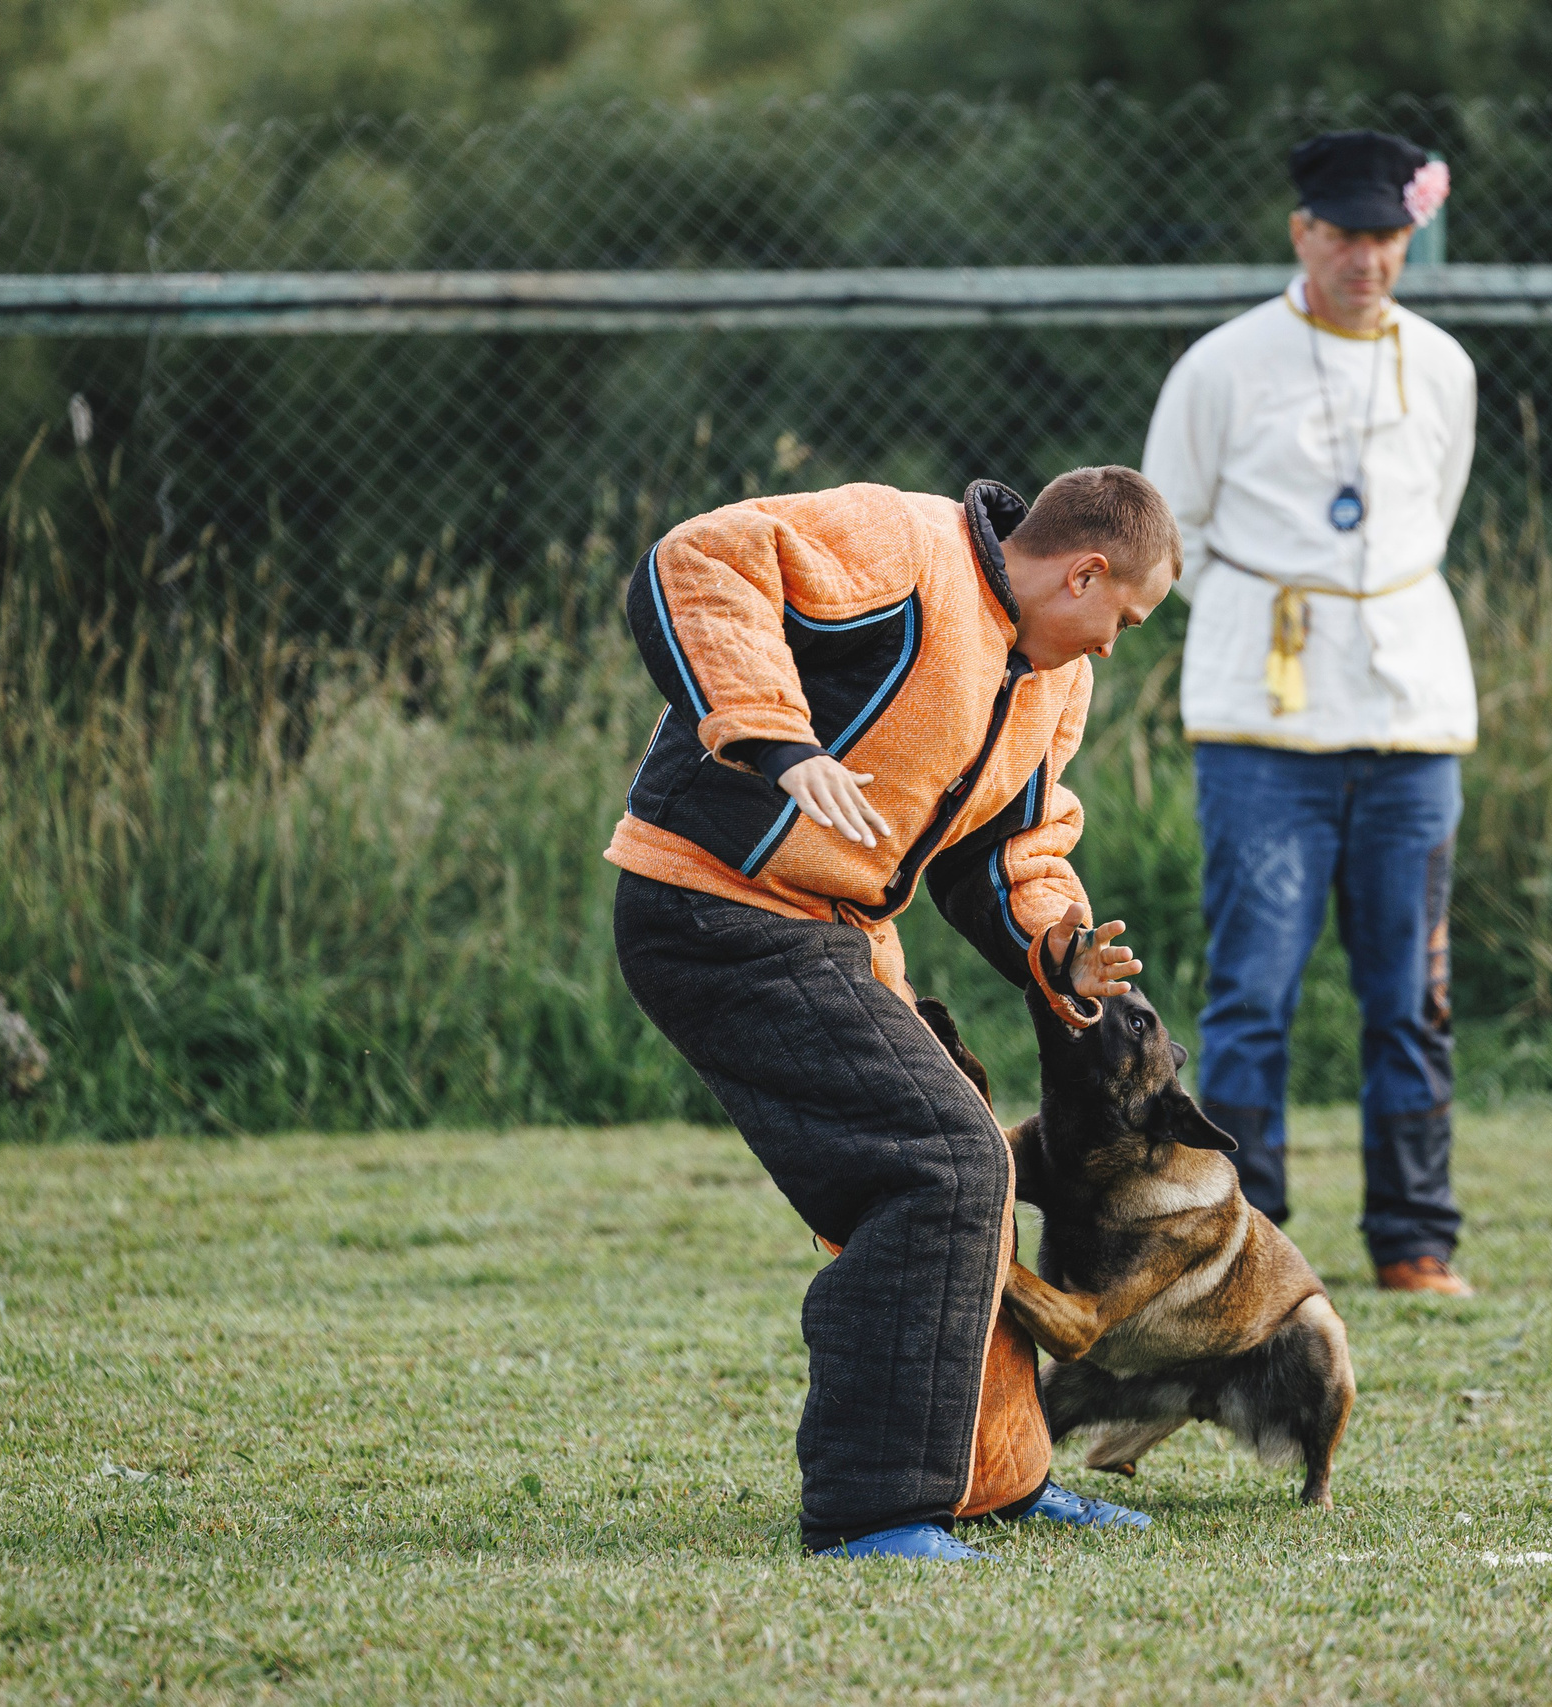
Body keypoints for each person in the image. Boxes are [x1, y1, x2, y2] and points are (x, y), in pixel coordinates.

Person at [607, 467, 1181, 1560]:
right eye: (1126, 618)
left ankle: (993, 1478)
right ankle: (874, 1511)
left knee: (972, 1164)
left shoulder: (1053, 680)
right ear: (1084, 572)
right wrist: (778, 738)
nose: (1115, 646)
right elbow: (702, 558)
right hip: (711, 906)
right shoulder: (903, 545)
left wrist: (1060, 947)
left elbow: (1012, 848)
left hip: (838, 930)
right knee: (934, 1161)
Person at [1142, 129, 1482, 1297]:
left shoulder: (1441, 366)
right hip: (1263, 725)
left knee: (1412, 995)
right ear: (1302, 234)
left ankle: (1414, 1238)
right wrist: (1278, 620)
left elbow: (1432, 514)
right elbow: (1169, 533)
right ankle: (1244, 1242)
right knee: (1251, 995)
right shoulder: (1222, 366)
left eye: (1385, 237)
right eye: (1342, 235)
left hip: (1409, 720)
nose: (1363, 259)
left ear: (1407, 239)